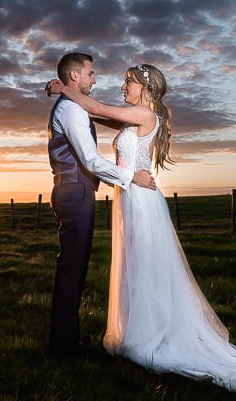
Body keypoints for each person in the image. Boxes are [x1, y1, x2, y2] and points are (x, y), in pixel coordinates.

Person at [47, 64, 236, 400]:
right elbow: (101, 115)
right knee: (136, 268)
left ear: (144, 87)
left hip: (141, 199)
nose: (122, 87)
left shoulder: (144, 115)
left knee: (146, 267)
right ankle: (139, 330)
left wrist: (63, 89)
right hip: (130, 196)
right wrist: (74, 96)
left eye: (128, 83)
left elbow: (97, 109)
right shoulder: (138, 114)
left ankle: (153, 336)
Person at [47, 53, 157, 357]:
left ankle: (66, 340)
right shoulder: (71, 109)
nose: (95, 79)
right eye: (91, 74)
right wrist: (130, 177)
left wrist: (62, 89)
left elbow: (98, 112)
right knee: (72, 269)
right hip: (75, 191)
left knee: (74, 267)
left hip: (75, 190)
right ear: (75, 77)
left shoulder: (75, 105)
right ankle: (64, 345)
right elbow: (91, 160)